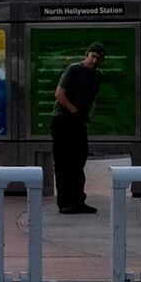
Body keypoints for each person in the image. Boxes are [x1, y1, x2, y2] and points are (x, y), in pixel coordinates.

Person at [50, 42, 105, 214]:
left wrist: (87, 117)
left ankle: (78, 200)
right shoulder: (73, 70)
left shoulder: (97, 75)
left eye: (98, 58)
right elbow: (59, 94)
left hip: (80, 122)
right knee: (63, 163)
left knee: (79, 161)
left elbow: (93, 98)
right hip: (63, 120)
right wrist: (75, 112)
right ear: (87, 55)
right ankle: (65, 202)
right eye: (92, 56)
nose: (94, 61)